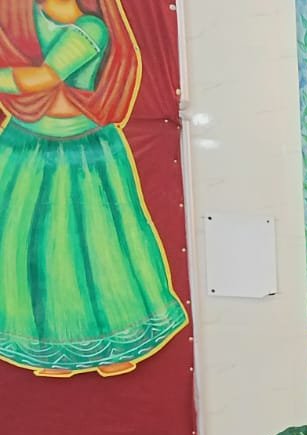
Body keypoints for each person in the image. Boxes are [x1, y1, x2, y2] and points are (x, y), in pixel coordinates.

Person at [0, 0, 188, 376]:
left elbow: (42, 78)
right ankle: (47, 348)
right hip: (25, 146)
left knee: (97, 250)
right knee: (26, 252)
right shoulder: (20, 23)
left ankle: (114, 348)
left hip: (86, 155)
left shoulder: (92, 29)